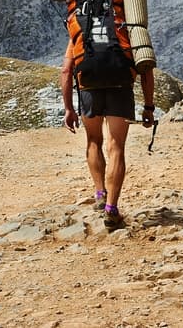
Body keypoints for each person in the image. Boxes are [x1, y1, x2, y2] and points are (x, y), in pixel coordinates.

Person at [62, 46, 154, 231]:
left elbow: (66, 69)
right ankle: (111, 209)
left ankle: (100, 194)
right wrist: (148, 106)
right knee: (116, 147)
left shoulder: (81, 20)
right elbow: (146, 67)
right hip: (120, 88)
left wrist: (68, 108)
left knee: (94, 140)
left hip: (88, 87)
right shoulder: (124, 21)